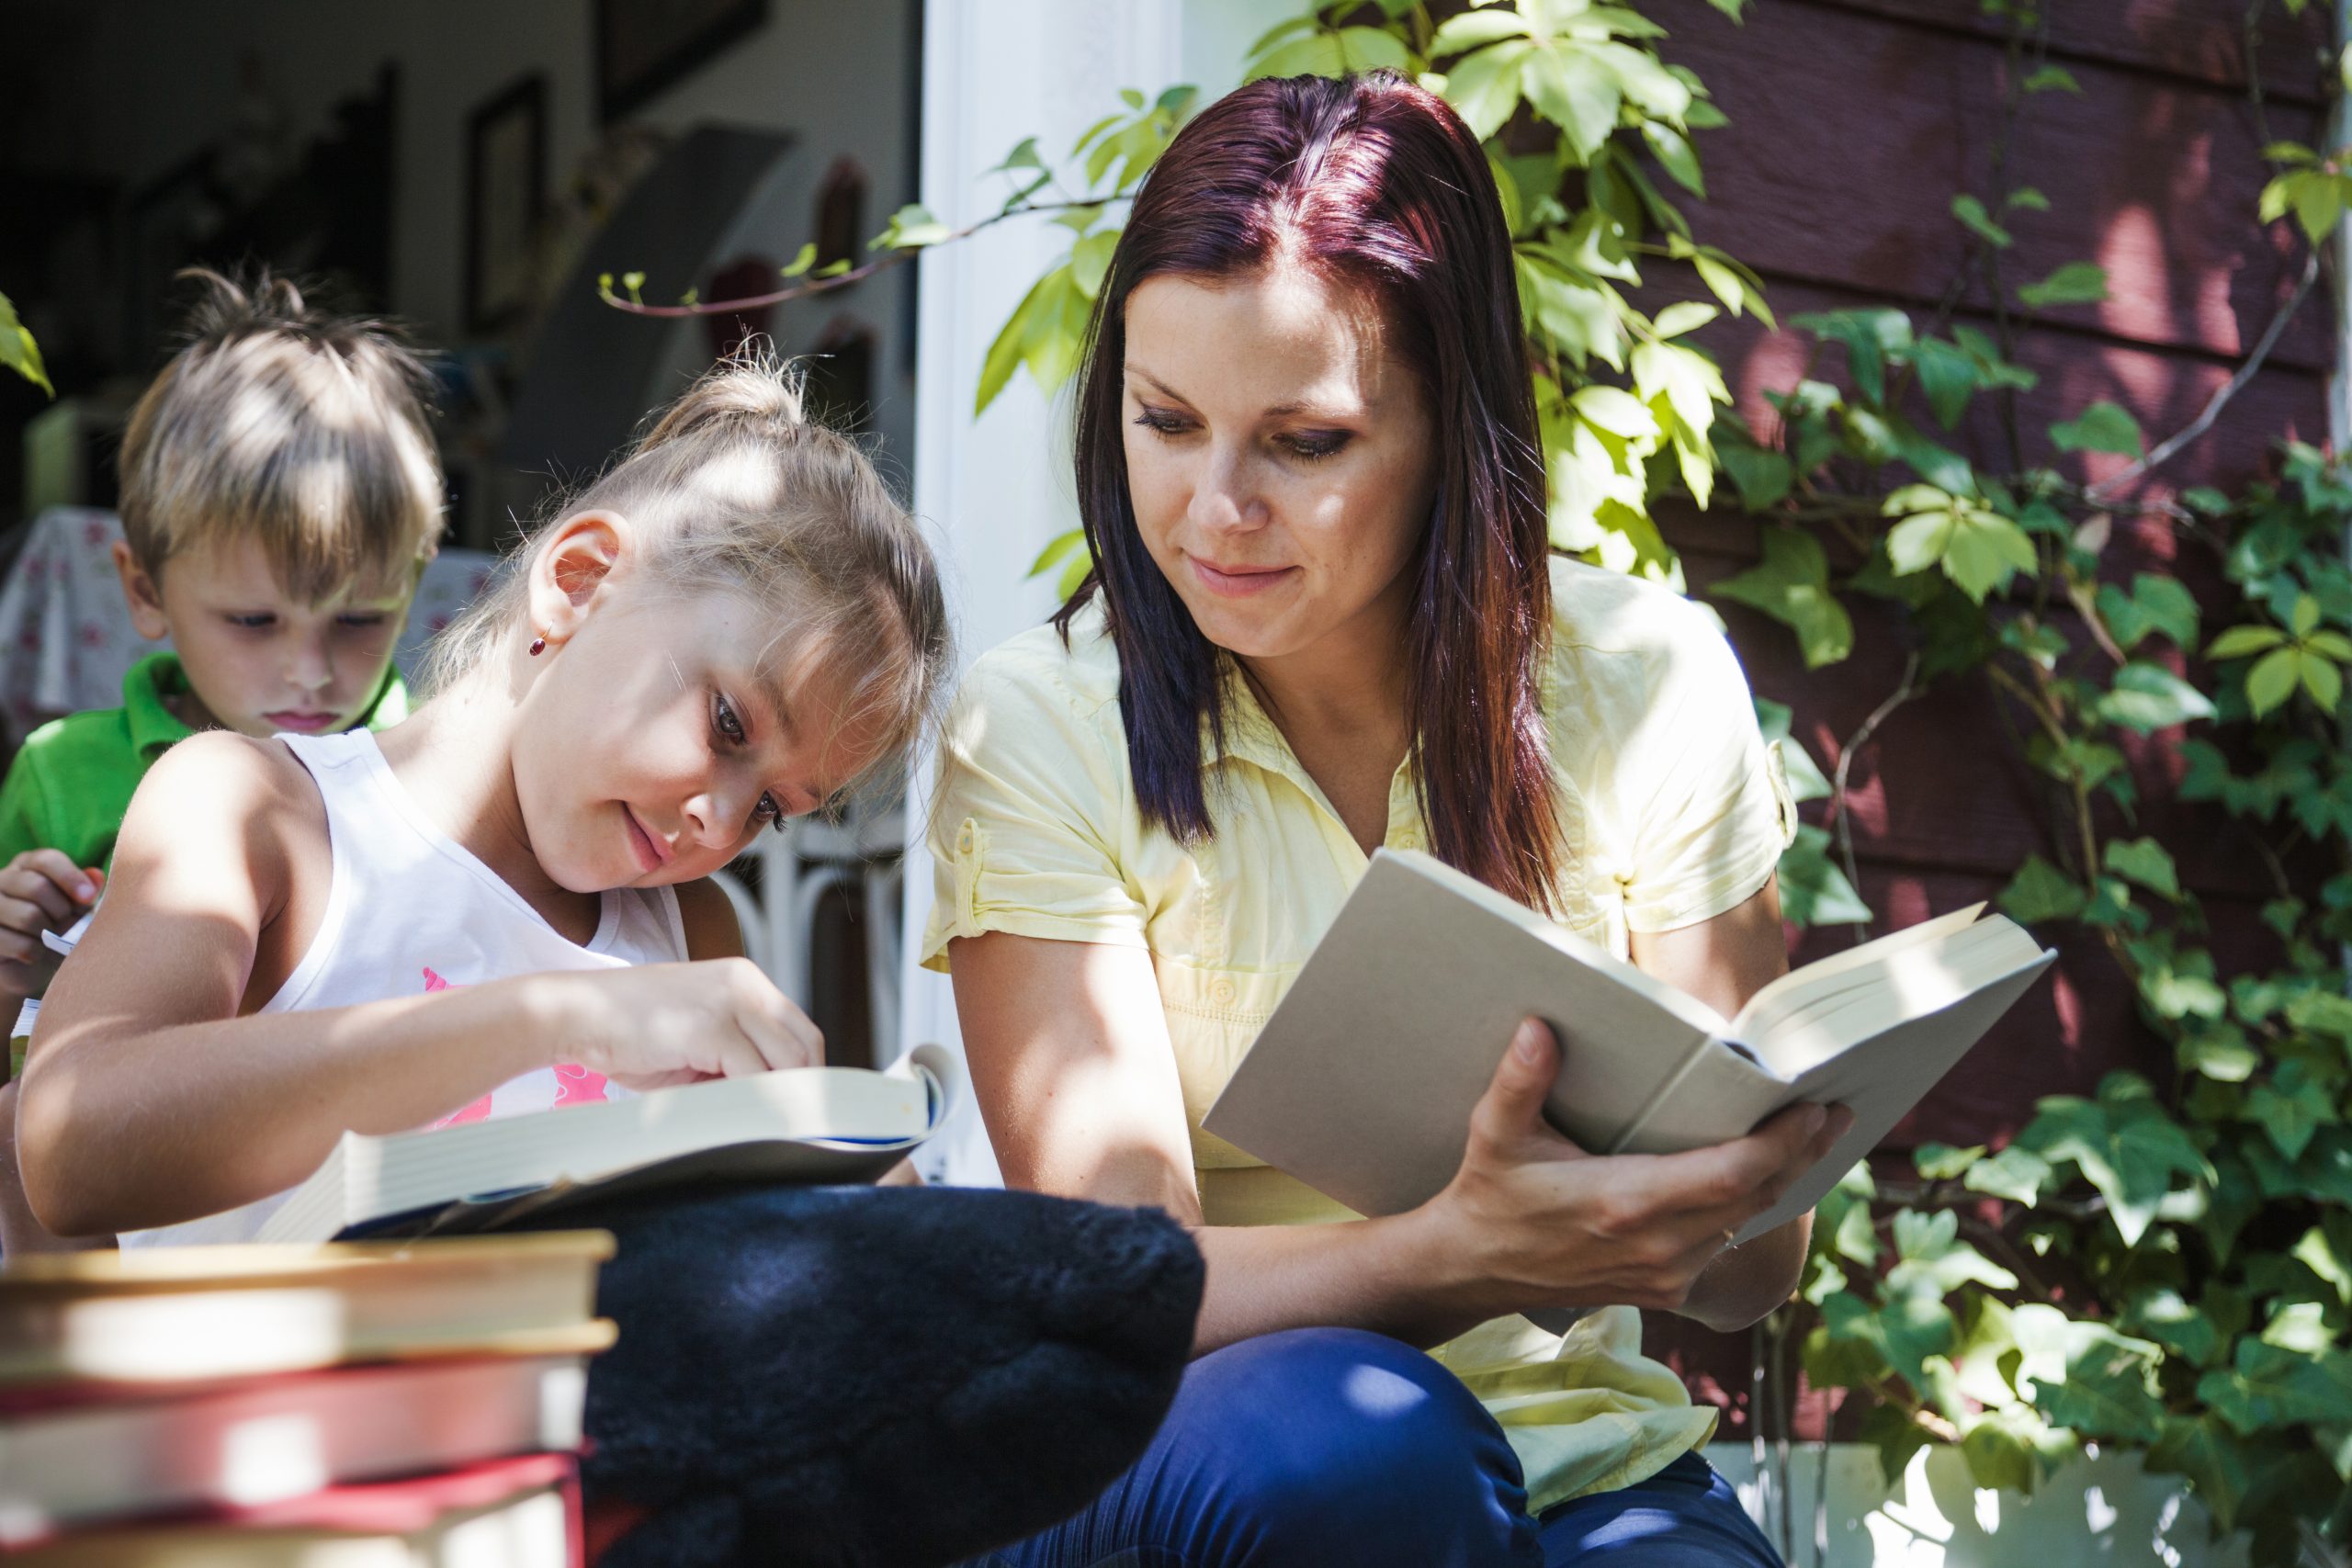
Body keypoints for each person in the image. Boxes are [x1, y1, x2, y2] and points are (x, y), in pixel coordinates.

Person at [922, 73, 1854, 1567]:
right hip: (1209, 1456)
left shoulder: (1650, 683)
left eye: (1304, 442)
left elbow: (1751, 1278)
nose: (1216, 507)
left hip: (1582, 1467)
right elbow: (1123, 1292)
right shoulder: (1042, 723)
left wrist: (1729, 1190)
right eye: (1166, 421)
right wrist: (1455, 1252)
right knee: (1367, 1449)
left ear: (1451, 427)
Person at [15, 355, 945, 1247]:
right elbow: (70, 1147)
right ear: (578, 581)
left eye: (774, 808)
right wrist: (556, 1017)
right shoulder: (257, 809)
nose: (723, 823)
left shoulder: (686, 929)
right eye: (727, 725)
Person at [0, 267, 434, 1254]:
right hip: (116, 1222)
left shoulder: (424, 772)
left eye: (359, 621)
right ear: (144, 590)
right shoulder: (65, 775)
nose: (310, 671)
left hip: (362, 1206)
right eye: (253, 621)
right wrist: (15, 963)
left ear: (414, 584)